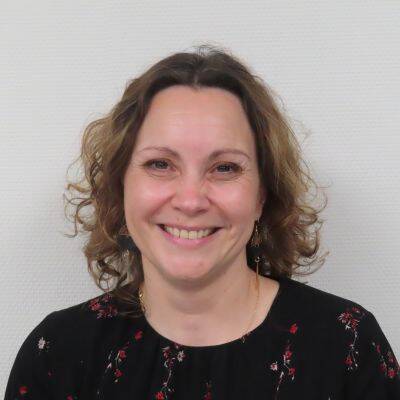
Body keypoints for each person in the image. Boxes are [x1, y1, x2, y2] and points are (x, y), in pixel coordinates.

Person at [5, 44, 399, 399]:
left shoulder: (348, 347)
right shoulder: (57, 354)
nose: (191, 200)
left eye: (225, 168)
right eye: (160, 164)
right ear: (121, 186)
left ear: (262, 195)